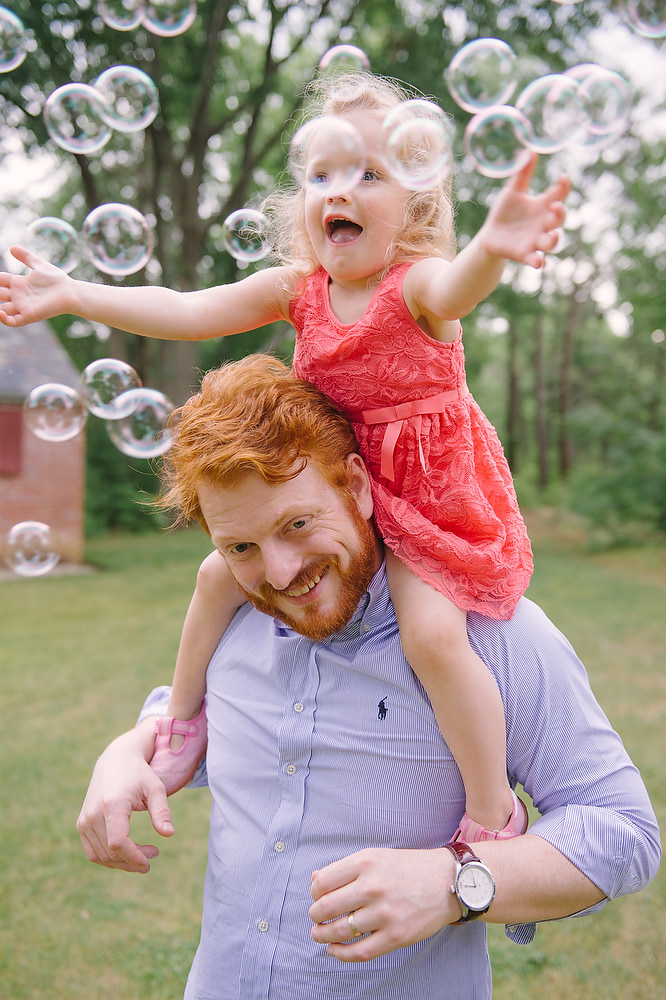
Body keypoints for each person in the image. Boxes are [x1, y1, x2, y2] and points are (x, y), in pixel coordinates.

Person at [0, 72, 572, 839]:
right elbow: (189, 311)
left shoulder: (417, 287)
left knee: (432, 636)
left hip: (421, 497)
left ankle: (490, 811)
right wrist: (74, 293)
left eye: (372, 172)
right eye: (324, 174)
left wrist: (493, 249)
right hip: (332, 493)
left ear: (417, 206)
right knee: (214, 576)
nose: (343, 189)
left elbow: (461, 285)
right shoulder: (296, 289)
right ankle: (179, 720)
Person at [76, 354, 660, 1000]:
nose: (277, 574)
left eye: (296, 525)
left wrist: (454, 883)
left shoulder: (490, 639)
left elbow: (624, 833)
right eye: (239, 548)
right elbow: (196, 720)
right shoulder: (230, 628)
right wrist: (127, 750)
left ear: (355, 486)